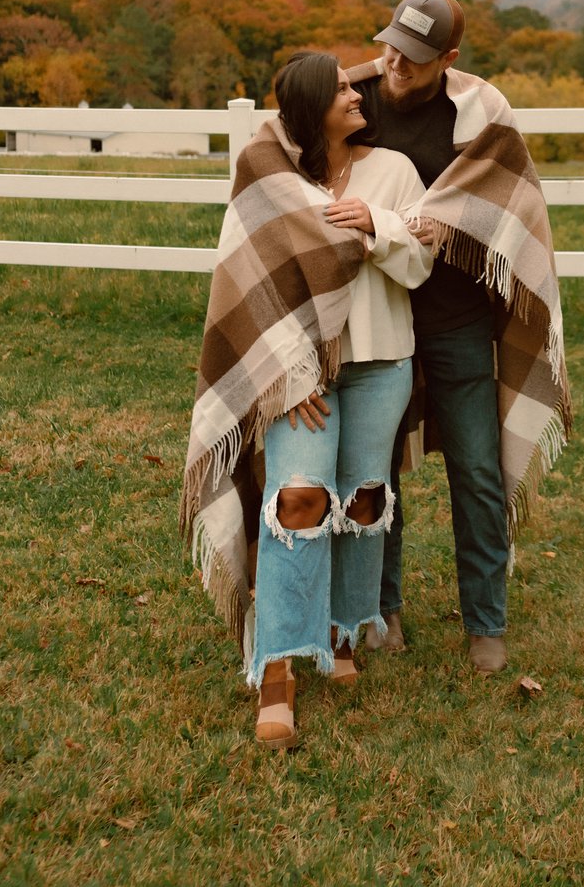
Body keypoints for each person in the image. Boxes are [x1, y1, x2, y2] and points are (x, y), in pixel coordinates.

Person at [180, 51, 432, 749]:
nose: (360, 92)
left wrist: (374, 225)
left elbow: (420, 262)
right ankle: (277, 671)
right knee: (297, 499)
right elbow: (253, 281)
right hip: (301, 378)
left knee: (363, 501)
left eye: (357, 84)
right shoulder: (275, 174)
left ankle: (341, 631)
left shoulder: (394, 172)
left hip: (383, 364)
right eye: (344, 87)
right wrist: (289, 376)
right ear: (312, 105)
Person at [348, 0, 572, 674]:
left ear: (448, 58)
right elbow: (298, 138)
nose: (395, 63)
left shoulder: (479, 114)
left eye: (414, 57)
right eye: (389, 46)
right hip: (380, 310)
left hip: (457, 316)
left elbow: (505, 198)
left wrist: (430, 222)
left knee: (476, 470)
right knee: (374, 466)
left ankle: (486, 620)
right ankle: (383, 608)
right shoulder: (355, 94)